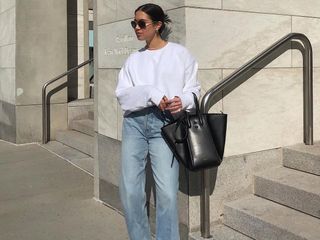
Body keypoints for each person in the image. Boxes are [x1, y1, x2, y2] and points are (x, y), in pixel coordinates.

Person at [115, 3, 200, 240]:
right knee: (131, 191)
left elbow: (194, 90)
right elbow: (122, 95)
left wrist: (182, 101)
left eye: (142, 23)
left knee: (167, 194)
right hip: (134, 124)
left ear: (158, 25)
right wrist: (150, 92)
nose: (137, 28)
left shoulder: (180, 54)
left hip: (165, 126)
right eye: (134, 23)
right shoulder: (133, 59)